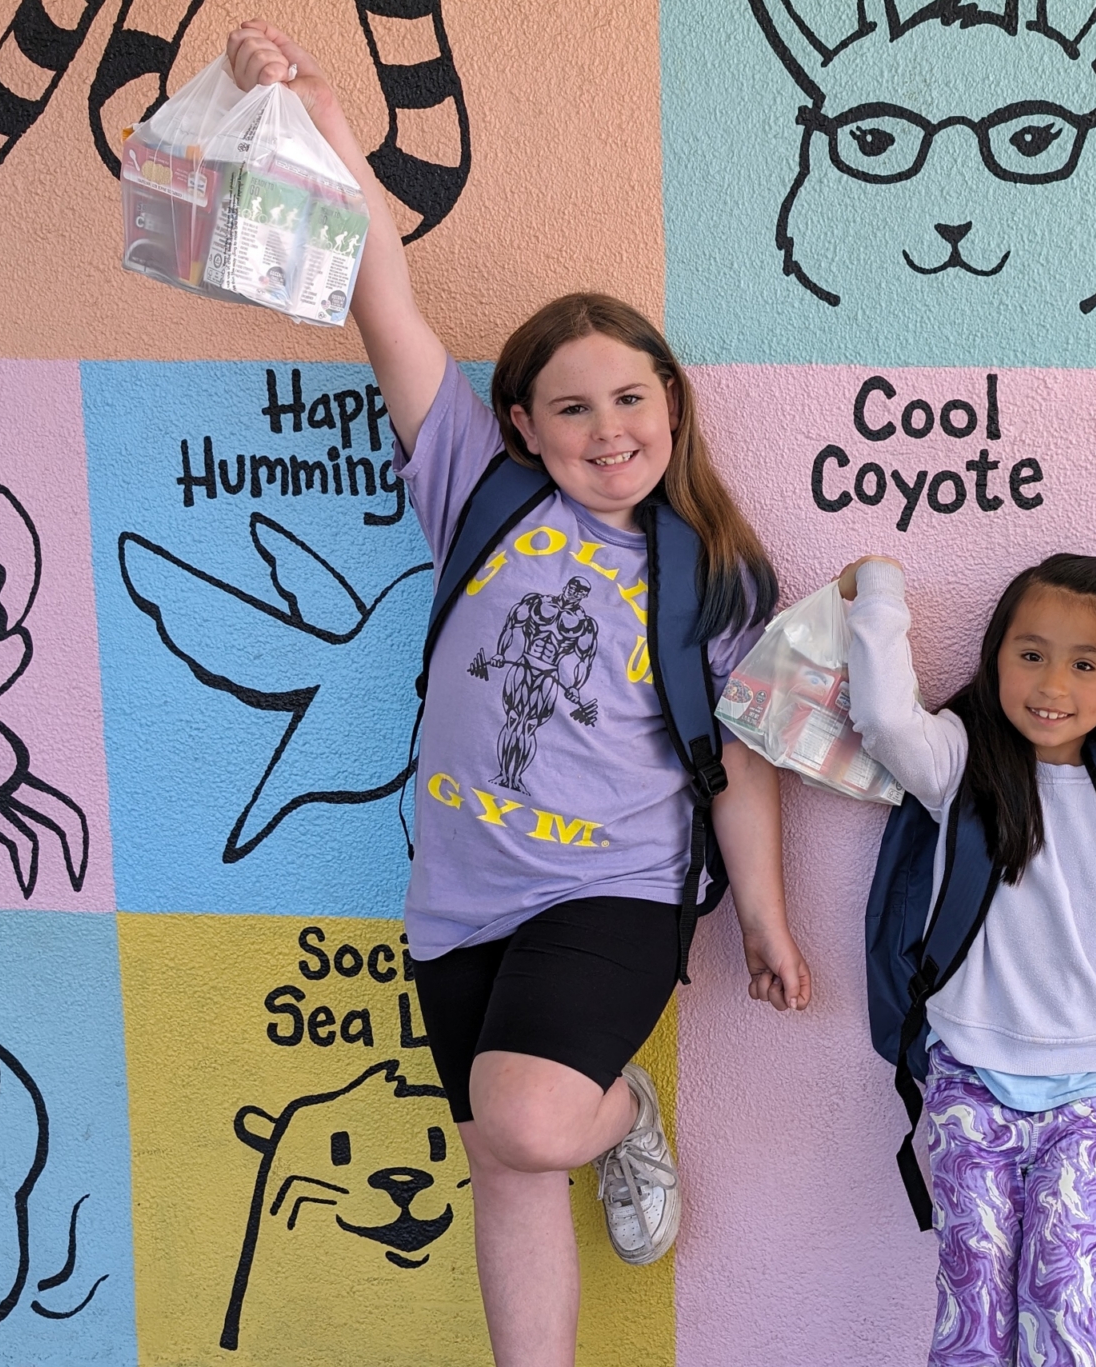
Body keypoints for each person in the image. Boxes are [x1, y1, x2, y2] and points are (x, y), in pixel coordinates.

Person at [221, 23, 812, 1367]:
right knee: (500, 1149)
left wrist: (762, 916)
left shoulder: (710, 567)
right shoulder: (474, 494)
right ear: (523, 428)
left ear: (671, 401)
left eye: (630, 395)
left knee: (537, 1117)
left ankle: (618, 1114)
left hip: (612, 883)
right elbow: (387, 292)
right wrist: (321, 116)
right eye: (571, 407)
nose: (609, 428)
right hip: (456, 893)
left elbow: (739, 755)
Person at [840, 551, 1096, 1367]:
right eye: (1031, 654)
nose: (1053, 685)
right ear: (996, 656)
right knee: (973, 1300)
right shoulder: (959, 764)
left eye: (1085, 663)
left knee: (1064, 1305)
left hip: (1089, 1095)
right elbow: (882, 718)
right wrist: (878, 593)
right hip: (966, 1077)